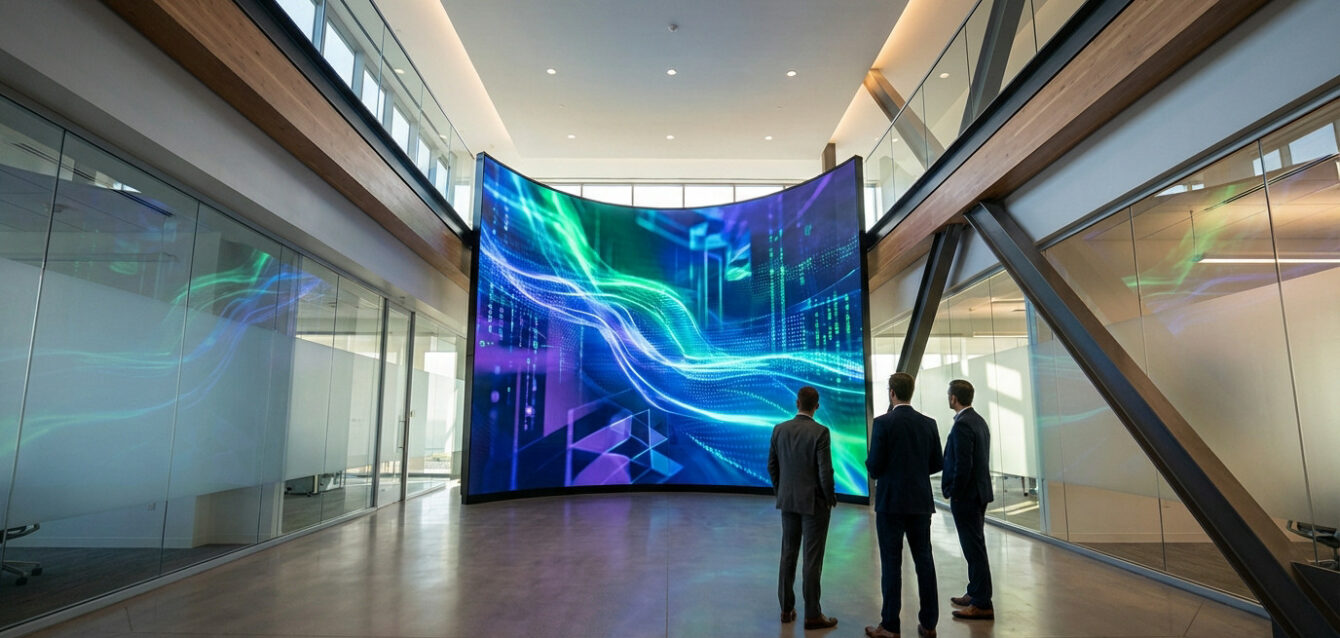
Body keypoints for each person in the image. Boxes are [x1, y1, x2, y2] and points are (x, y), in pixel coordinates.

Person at [864, 373, 942, 638]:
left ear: (892, 393)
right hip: (920, 502)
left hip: (890, 504)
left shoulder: (883, 424)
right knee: (925, 562)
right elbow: (936, 463)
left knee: (891, 564)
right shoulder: (928, 423)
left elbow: (874, 467)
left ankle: (890, 626)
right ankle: (929, 624)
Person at [768, 385, 839, 630]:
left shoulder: (779, 430)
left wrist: (782, 491)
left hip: (788, 501)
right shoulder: (821, 432)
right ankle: (812, 614)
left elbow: (772, 466)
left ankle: (786, 610)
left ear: (797, 403)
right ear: (816, 406)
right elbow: (824, 471)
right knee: (812, 559)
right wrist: (829, 496)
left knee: (788, 554)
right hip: (814, 505)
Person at [941, 379, 995, 620]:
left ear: (954, 398)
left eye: (948, 395)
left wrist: (953, 489)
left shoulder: (963, 425)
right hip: (979, 493)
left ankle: (982, 603)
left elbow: (963, 465)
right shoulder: (979, 421)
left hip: (967, 497)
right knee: (975, 546)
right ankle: (975, 593)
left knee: (974, 549)